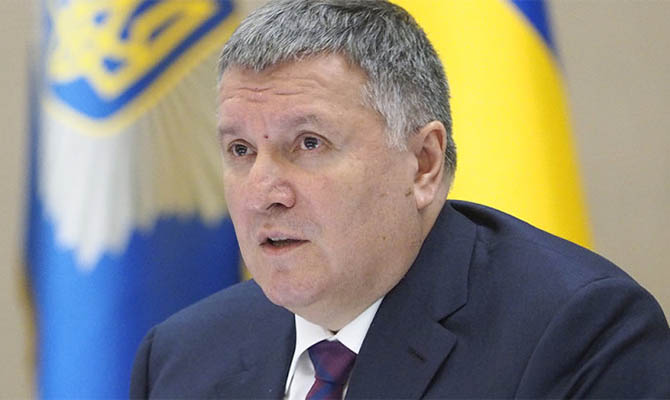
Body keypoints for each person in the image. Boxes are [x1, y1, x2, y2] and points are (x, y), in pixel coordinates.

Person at [130, 0, 670, 398]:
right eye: (241, 150)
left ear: (423, 163)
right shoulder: (181, 357)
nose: (262, 193)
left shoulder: (579, 334)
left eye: (309, 143)